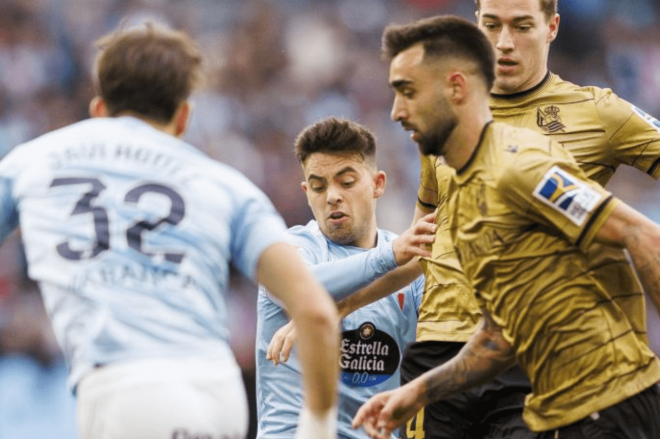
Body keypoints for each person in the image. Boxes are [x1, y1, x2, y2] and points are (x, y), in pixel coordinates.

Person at [0, 22, 341, 439]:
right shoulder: (226, 185)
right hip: (221, 393)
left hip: (127, 392)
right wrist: (319, 427)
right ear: (183, 118)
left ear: (98, 110)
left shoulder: (30, 162)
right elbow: (318, 313)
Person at [352, 15, 660, 439]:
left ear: (455, 88)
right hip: (560, 408)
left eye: (409, 94)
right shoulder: (465, 200)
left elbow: (642, 235)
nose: (396, 112)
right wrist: (418, 392)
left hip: (607, 401)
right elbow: (498, 337)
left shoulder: (521, 165)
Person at [256, 117, 435, 439]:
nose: (332, 196)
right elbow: (304, 288)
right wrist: (391, 254)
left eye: (346, 182)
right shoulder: (289, 250)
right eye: (319, 186)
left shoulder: (411, 269)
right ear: (306, 192)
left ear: (378, 184)